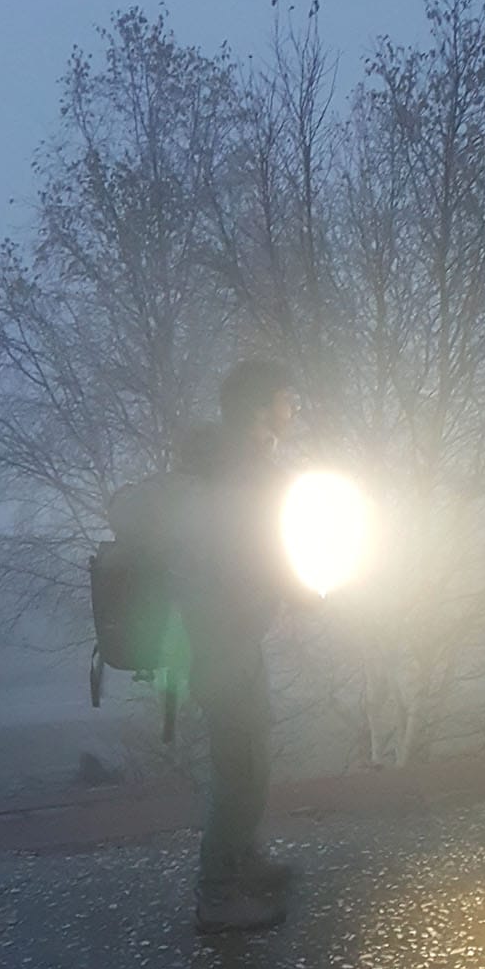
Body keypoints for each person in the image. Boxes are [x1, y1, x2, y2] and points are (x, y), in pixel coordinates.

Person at [172, 358, 303, 933]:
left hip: (232, 631)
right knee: (238, 766)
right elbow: (243, 557)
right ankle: (219, 894)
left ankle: (243, 861)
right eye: (286, 397)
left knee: (252, 752)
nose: (293, 407)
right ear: (260, 409)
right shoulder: (239, 473)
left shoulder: (234, 465)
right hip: (221, 636)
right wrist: (301, 585)